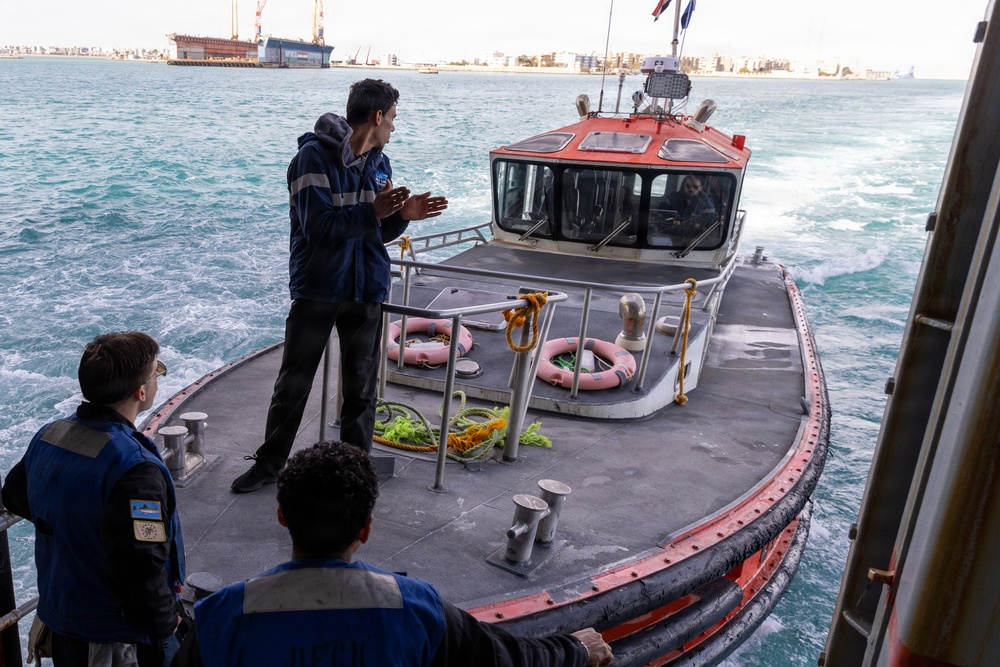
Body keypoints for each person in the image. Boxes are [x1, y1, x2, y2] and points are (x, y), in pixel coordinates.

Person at [176, 441, 613, 667]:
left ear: (282, 517)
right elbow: (505, 659)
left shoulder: (220, 617)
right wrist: (575, 650)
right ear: (366, 529)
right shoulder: (418, 609)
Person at [232, 78, 449, 494]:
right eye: (393, 119)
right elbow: (316, 228)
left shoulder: (379, 162)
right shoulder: (312, 158)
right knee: (293, 385)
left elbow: (378, 231)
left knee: (362, 390)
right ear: (377, 115)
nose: (394, 128)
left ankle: (356, 471)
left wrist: (406, 217)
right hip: (318, 287)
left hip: (366, 287)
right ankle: (270, 464)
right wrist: (373, 213)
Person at [2, 331, 185, 666]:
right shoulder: (136, 470)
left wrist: (75, 524)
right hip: (113, 637)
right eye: (157, 371)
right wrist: (165, 621)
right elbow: (141, 563)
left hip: (64, 618)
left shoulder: (50, 434)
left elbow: (14, 496)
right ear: (141, 392)